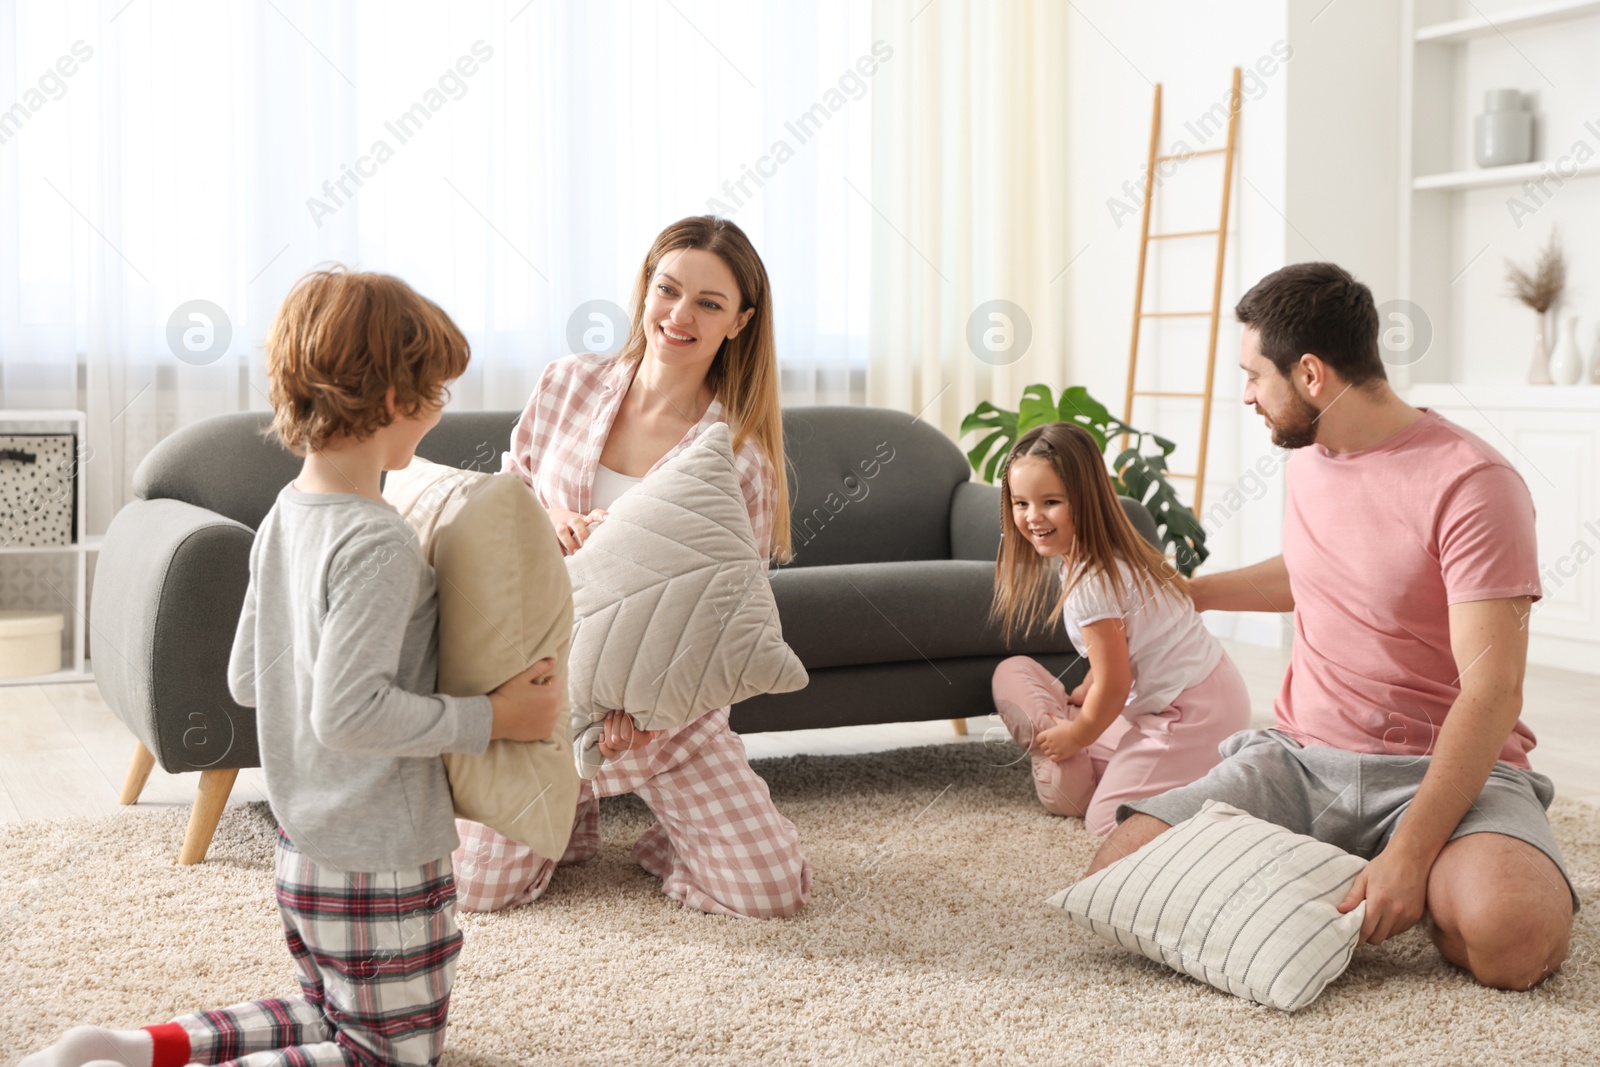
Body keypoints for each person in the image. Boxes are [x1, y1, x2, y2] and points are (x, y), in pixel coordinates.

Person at [22, 268, 563, 1067]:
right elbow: (349, 714)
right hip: (379, 857)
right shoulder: (377, 542)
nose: (438, 413)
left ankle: (125, 1047)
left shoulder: (287, 512)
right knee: (388, 1053)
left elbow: (247, 677)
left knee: (327, 1011)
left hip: (303, 843)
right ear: (390, 401)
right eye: (436, 393)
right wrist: (495, 718)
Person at [1086, 262, 1577, 991]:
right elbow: (1323, 567)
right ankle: (1345, 868)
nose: (1247, 394)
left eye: (1255, 375)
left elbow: (1493, 693)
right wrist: (1196, 591)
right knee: (1116, 873)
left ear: (1311, 374)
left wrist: (1411, 852)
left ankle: (1420, 872)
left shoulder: (1473, 485)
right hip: (1302, 759)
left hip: (1446, 770)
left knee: (1514, 941)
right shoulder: (1312, 456)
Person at [452, 215, 811, 919]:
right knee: (476, 891)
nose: (679, 315)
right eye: (667, 289)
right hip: (536, 700)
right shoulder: (566, 384)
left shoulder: (741, 461)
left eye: (709, 303)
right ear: (645, 288)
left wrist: (646, 718)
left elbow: (721, 620)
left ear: (740, 322)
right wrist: (543, 522)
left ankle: (665, 838)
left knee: (772, 894)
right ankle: (569, 818)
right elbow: (501, 506)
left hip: (660, 724)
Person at [988, 423, 1250, 838]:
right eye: (1020, 503)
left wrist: (1076, 734)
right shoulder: (1091, 560)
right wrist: (1088, 691)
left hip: (1189, 713)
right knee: (1017, 673)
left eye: (1050, 502)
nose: (1032, 517)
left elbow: (1115, 684)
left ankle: (1218, 805)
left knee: (1108, 823)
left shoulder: (1093, 582)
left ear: (1085, 501)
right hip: (1197, 696)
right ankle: (1148, 770)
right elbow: (1120, 651)